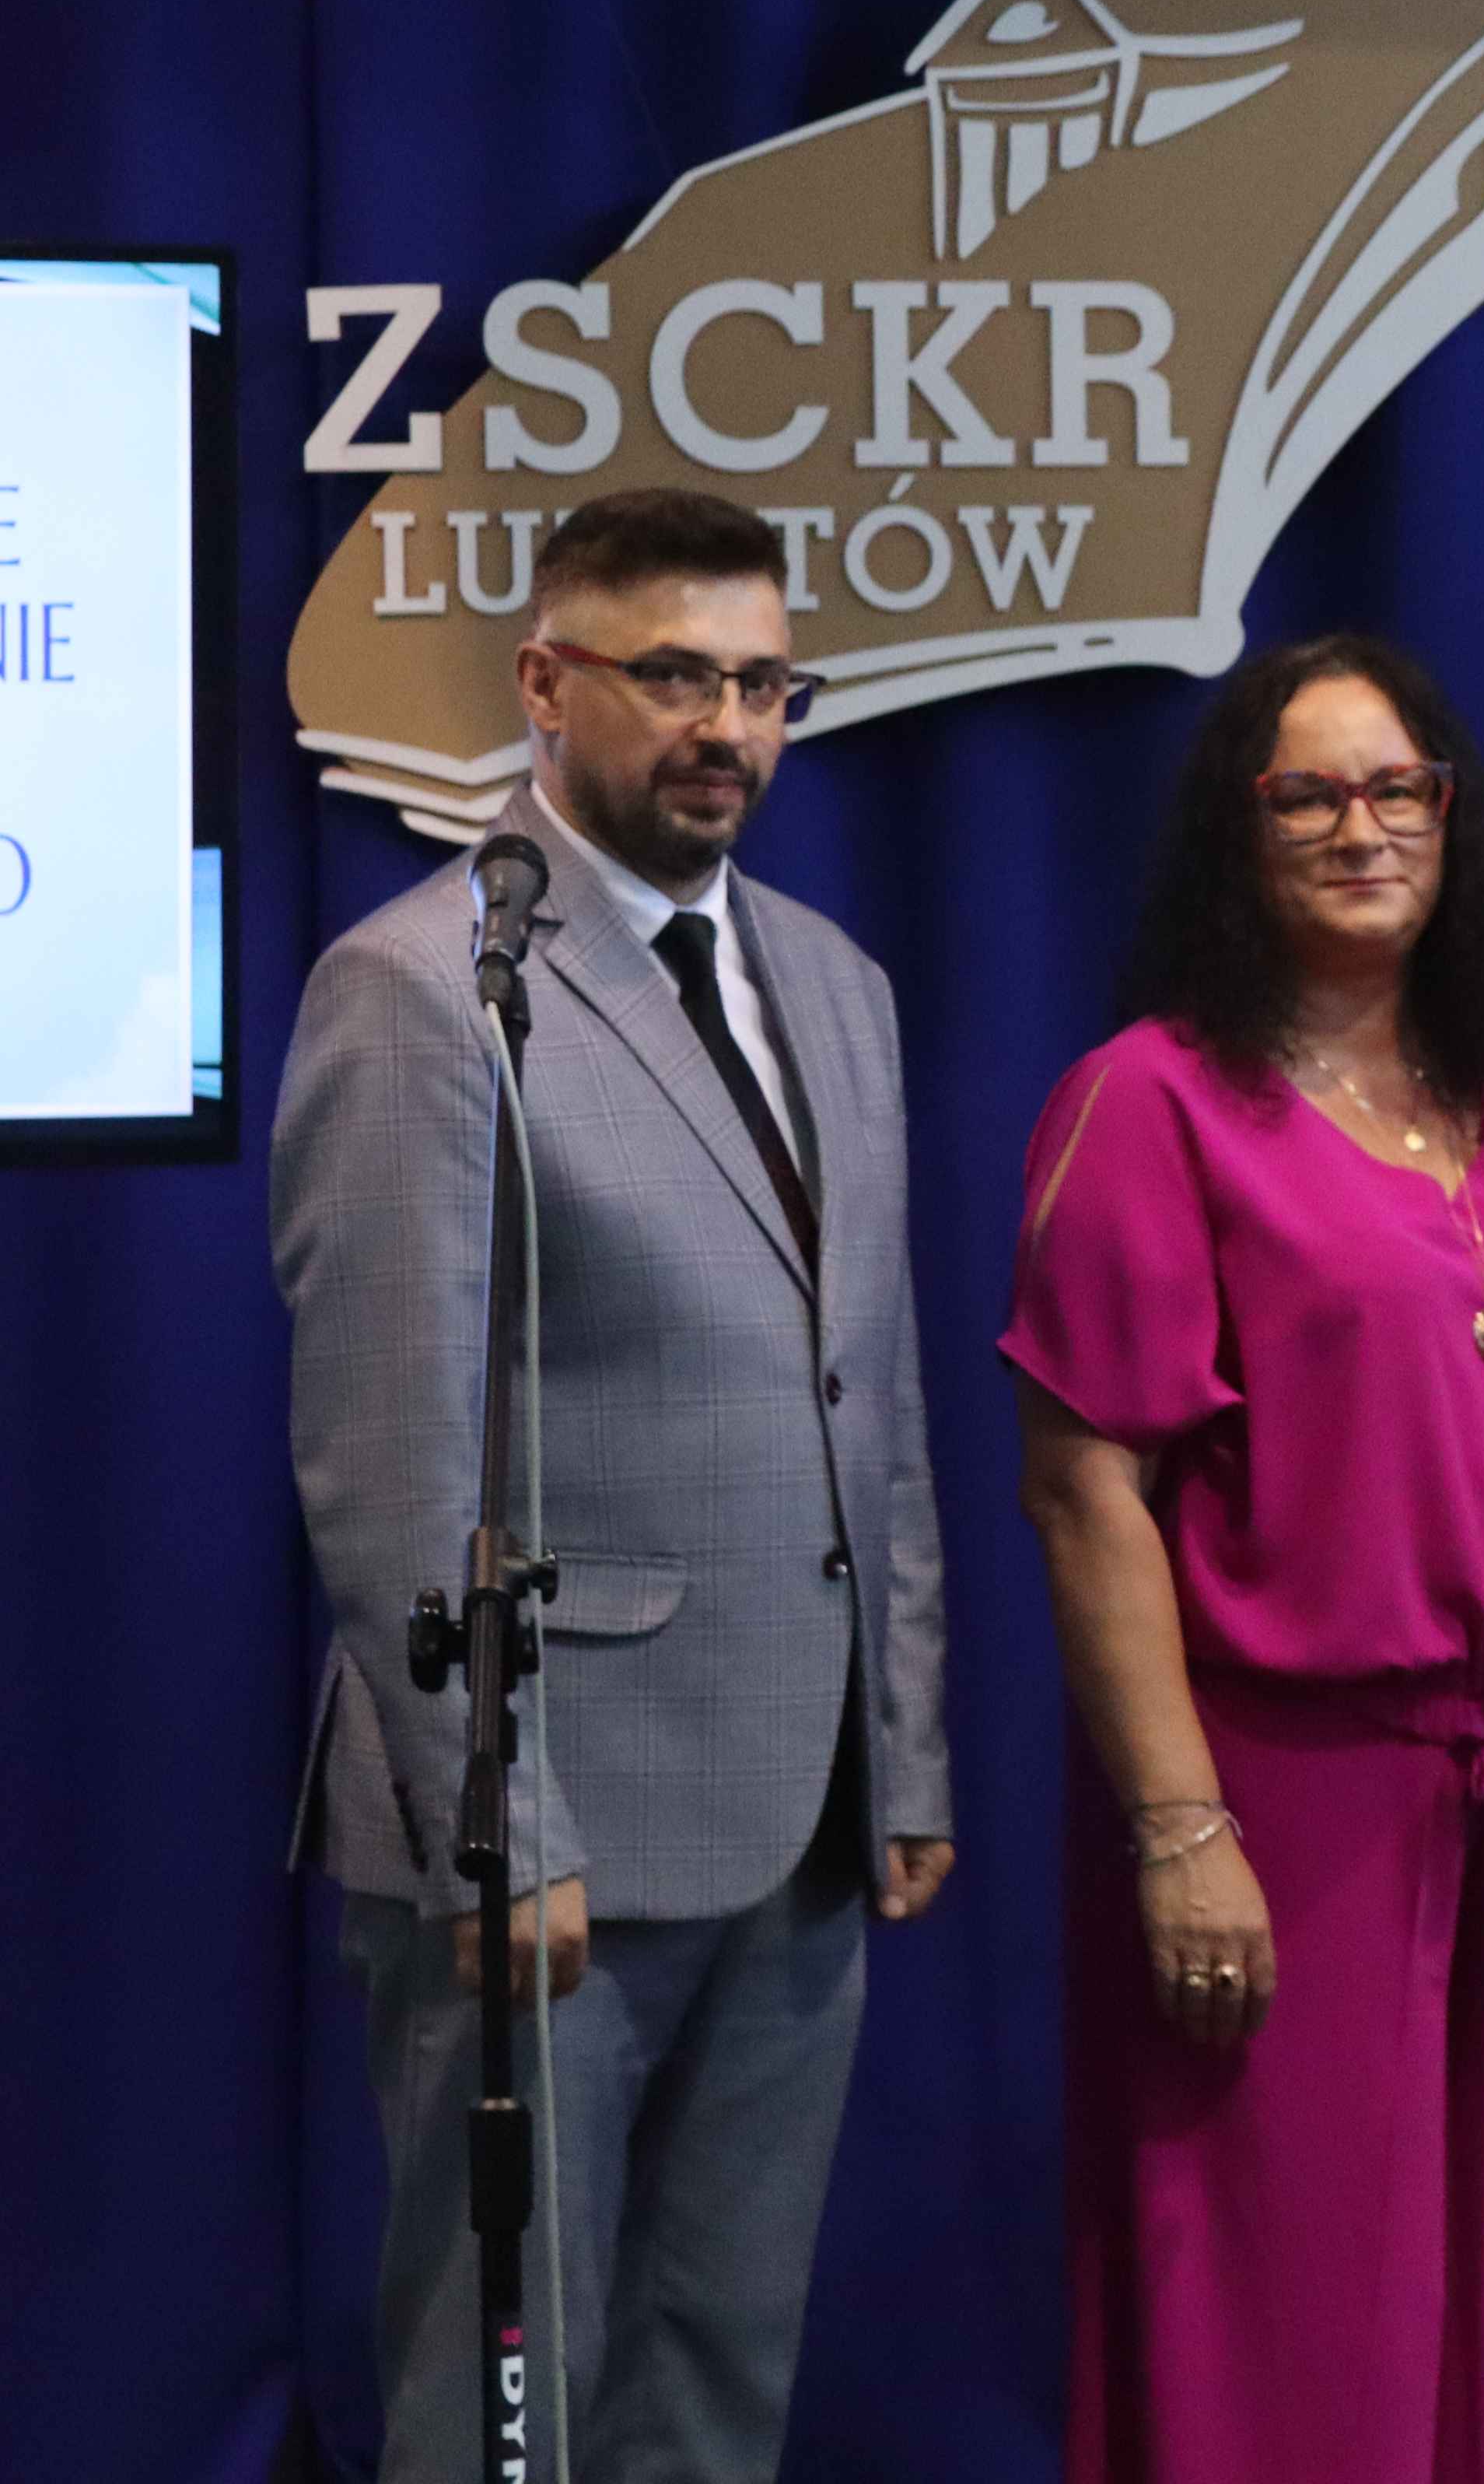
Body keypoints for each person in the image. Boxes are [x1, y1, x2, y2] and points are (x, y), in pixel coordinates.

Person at [277, 485, 956, 2484]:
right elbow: (388, 1455)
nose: (726, 724)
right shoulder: (421, 983)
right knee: (505, 2395)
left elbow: (872, 1390)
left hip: (801, 1803)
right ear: (545, 682)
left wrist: (903, 1745)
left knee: (719, 2375)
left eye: (764, 681)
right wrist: (500, 1821)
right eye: (674, 673)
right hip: (548, 1818)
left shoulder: (836, 979)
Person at [1004, 634, 1484, 2484]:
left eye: (1399, 789)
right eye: (1309, 795)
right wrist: (1179, 1827)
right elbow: (1084, 1490)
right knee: (1297, 2325)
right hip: (1290, 1812)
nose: (1364, 828)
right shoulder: (1151, 1097)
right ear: (1241, 825)